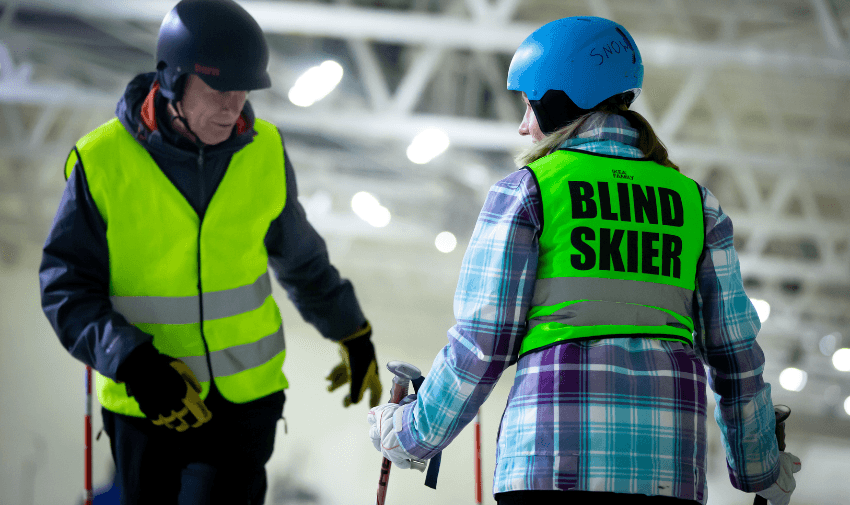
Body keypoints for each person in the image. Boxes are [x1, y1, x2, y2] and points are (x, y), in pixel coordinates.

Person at [367, 16, 802, 505]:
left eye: (529, 105)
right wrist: (760, 467)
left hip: (551, 463)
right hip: (669, 471)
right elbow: (736, 355)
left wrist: (410, 434)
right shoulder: (695, 203)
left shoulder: (531, 190)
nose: (523, 125)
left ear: (559, 99)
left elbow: (484, 342)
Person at [39, 0, 382, 503]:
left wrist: (352, 331)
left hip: (247, 402)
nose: (234, 105)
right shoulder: (101, 162)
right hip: (150, 403)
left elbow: (301, 260)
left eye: (244, 89)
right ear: (173, 82)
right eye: (220, 88)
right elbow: (66, 289)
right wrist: (133, 364)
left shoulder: (263, 148)